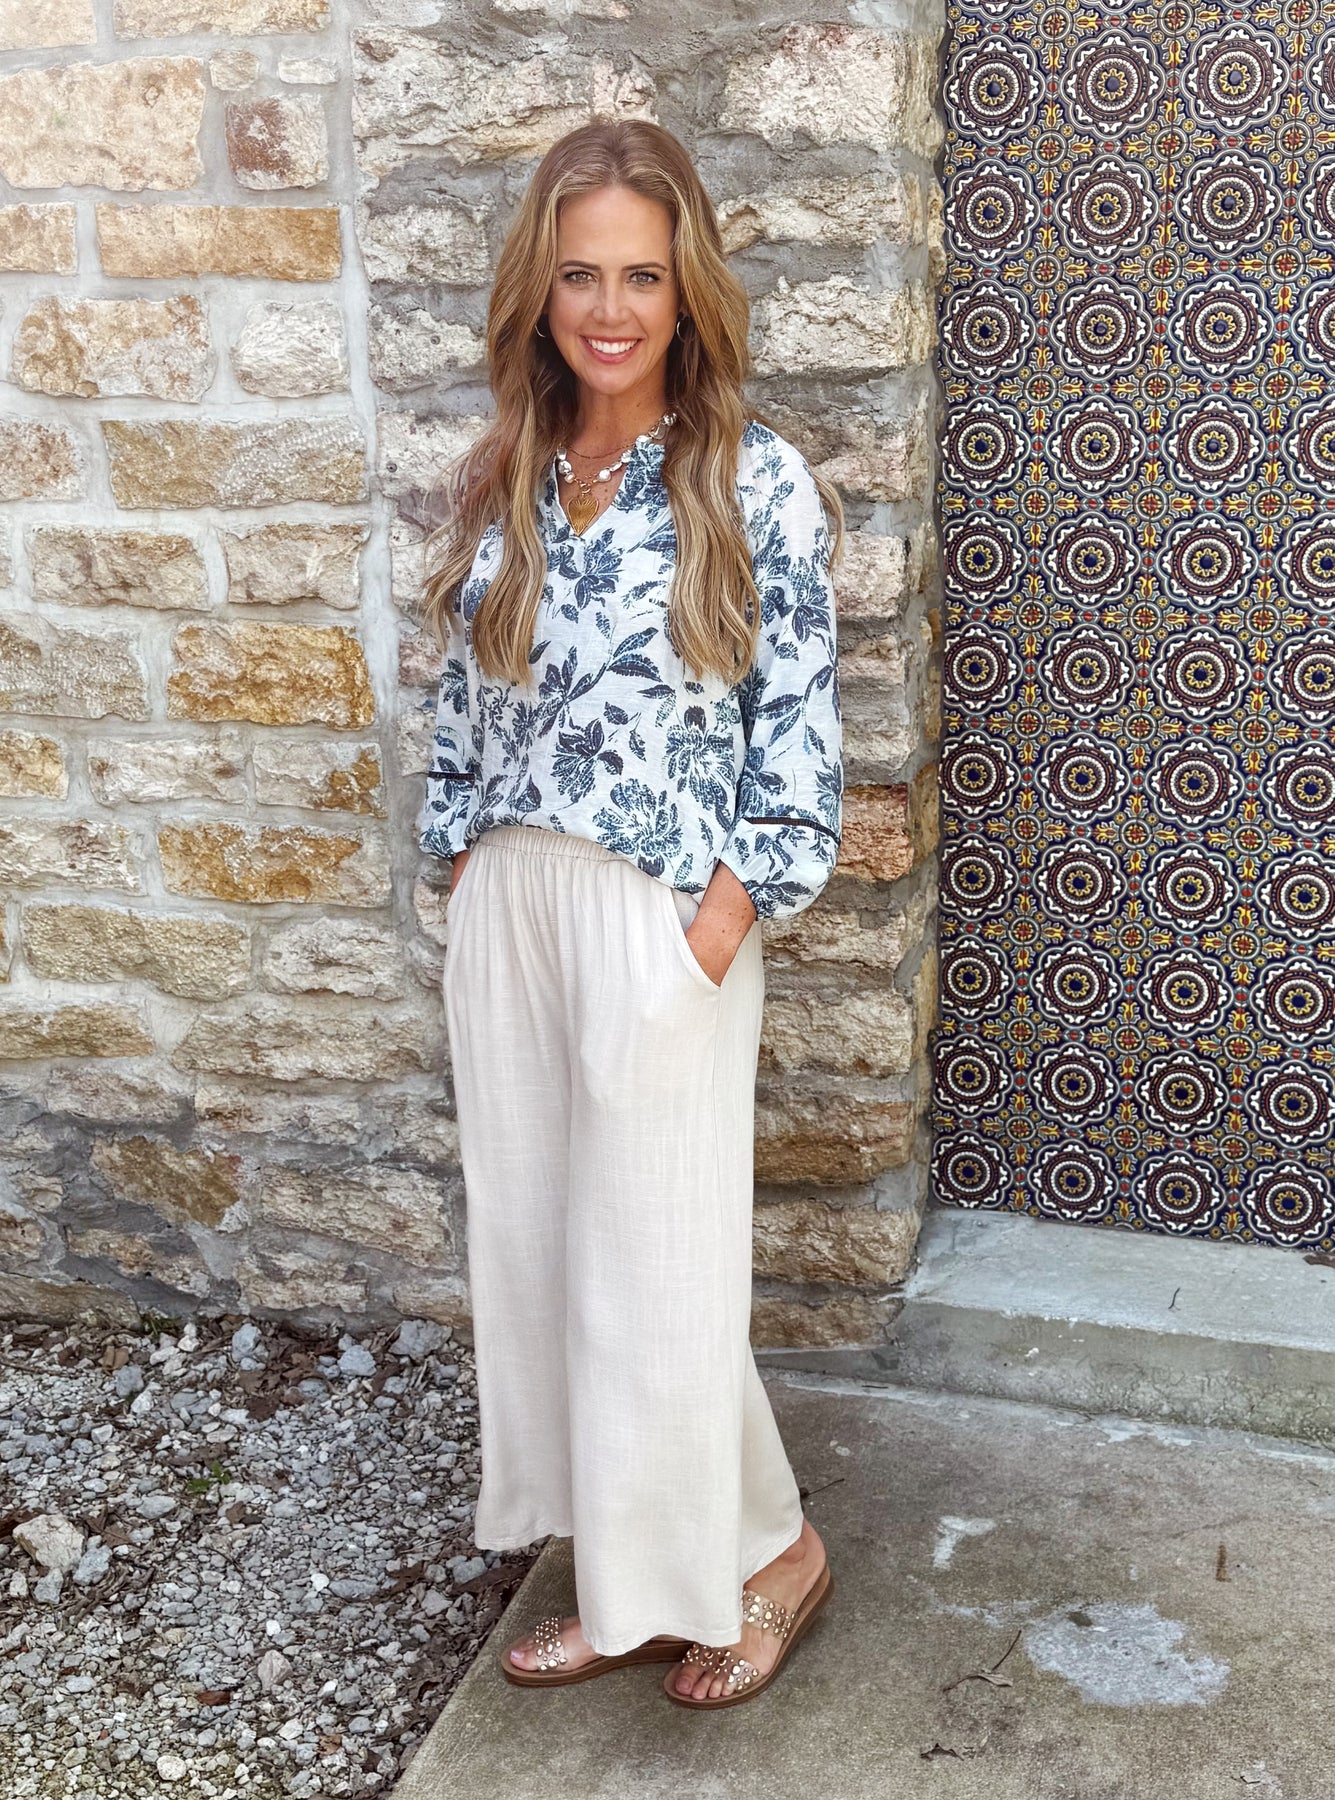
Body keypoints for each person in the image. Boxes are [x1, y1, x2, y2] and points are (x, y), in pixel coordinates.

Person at [418, 116, 843, 1709]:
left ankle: (774, 1553)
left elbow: (799, 725)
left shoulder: (748, 476)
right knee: (551, 1260)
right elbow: (466, 699)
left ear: (687, 289)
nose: (611, 308)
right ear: (541, 290)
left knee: (657, 1271)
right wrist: (463, 858)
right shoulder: (513, 471)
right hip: (515, 910)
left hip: (661, 913)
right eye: (581, 273)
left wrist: (723, 920)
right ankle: (628, 1578)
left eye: (643, 277)